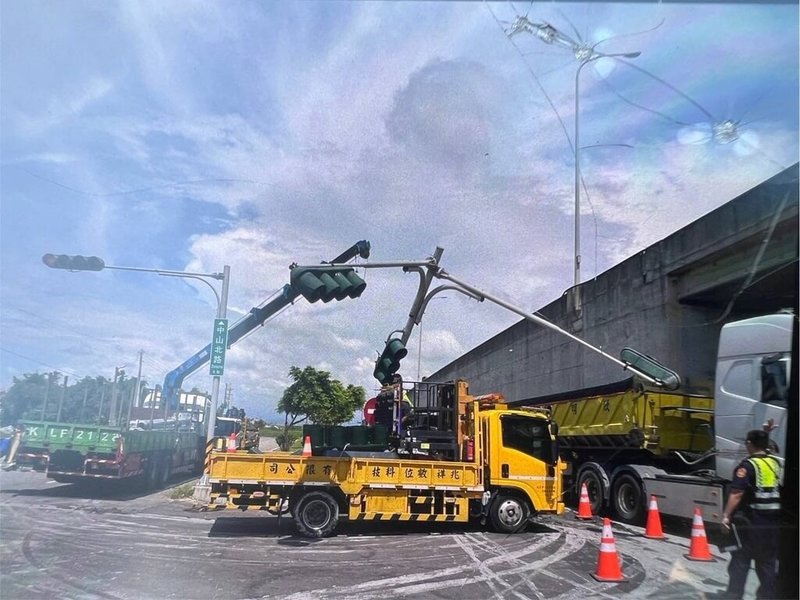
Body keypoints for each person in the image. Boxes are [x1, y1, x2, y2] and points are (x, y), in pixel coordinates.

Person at [717, 429, 783, 599]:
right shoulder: (775, 463)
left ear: (749, 444)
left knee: (740, 560)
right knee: (767, 564)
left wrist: (726, 516)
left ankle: (734, 595)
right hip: (772, 524)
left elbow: (737, 493)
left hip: (750, 522)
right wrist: (767, 433)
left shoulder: (747, 466)